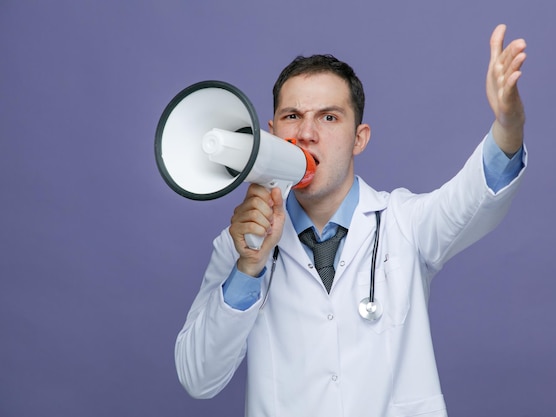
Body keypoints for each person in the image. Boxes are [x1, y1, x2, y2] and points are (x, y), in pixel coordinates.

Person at [175, 24, 528, 417]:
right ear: (271, 133)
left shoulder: (402, 223)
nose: (306, 134)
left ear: (359, 137)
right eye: (292, 116)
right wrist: (248, 267)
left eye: (328, 118)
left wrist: (508, 127)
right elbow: (198, 377)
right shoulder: (240, 244)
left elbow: (474, 197)